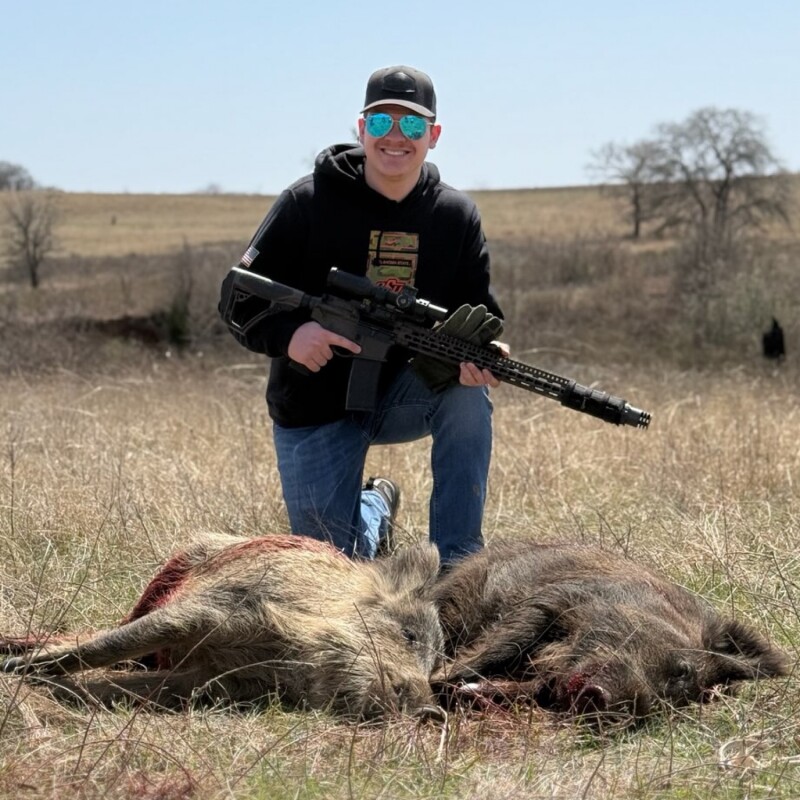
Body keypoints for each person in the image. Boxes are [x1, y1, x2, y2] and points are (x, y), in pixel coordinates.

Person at [219, 65, 505, 566]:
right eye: (381, 122)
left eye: (412, 124)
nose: (396, 137)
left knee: (467, 394)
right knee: (335, 570)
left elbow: (480, 311)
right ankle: (375, 508)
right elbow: (238, 299)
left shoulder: (454, 216)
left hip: (405, 394)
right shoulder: (306, 202)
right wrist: (292, 336)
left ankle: (458, 565)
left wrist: (486, 353)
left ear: (434, 135)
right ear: (361, 128)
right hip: (315, 404)